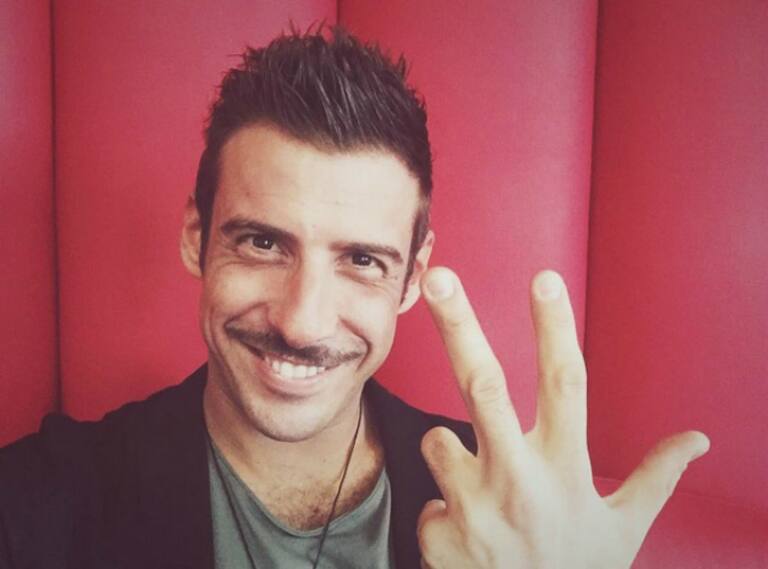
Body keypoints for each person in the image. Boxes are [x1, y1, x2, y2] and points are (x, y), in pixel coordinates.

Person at [0, 26, 708, 569]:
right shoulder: (43, 498)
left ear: (411, 279)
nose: (302, 321)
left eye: (362, 260)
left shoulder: (505, 512)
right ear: (196, 237)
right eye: (263, 243)